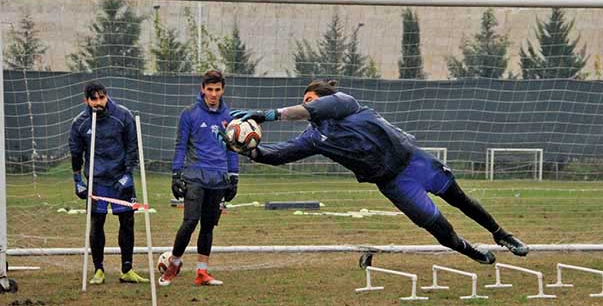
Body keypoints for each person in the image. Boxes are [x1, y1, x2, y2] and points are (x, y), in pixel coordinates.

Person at [230, 80, 529, 264]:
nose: (307, 106)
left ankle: (502, 234)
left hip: (414, 161)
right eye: (305, 101)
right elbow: (278, 155)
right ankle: (470, 251)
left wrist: (271, 115)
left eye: (310, 100)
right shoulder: (313, 138)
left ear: (323, 98)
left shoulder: (346, 104)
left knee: (459, 198)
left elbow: (314, 109)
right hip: (393, 183)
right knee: (438, 227)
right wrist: (246, 149)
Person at [159, 70, 239, 287]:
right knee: (190, 221)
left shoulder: (229, 117)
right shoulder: (189, 114)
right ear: (203, 89)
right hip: (195, 176)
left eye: (218, 89)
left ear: (223, 90)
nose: (213, 94)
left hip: (218, 178)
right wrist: (176, 174)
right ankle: (173, 264)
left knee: (208, 226)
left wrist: (234, 176)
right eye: (210, 89)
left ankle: (202, 272)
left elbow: (232, 148)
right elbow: (180, 145)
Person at [68, 81, 148, 284]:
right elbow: (76, 154)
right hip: (96, 181)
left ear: (106, 96)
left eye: (101, 97)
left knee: (127, 222)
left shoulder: (123, 115)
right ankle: (98, 270)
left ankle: (127, 269)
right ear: (86, 100)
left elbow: (132, 147)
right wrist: (78, 179)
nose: (98, 102)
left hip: (120, 179)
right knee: (96, 223)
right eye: (93, 99)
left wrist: (128, 173)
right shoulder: (80, 123)